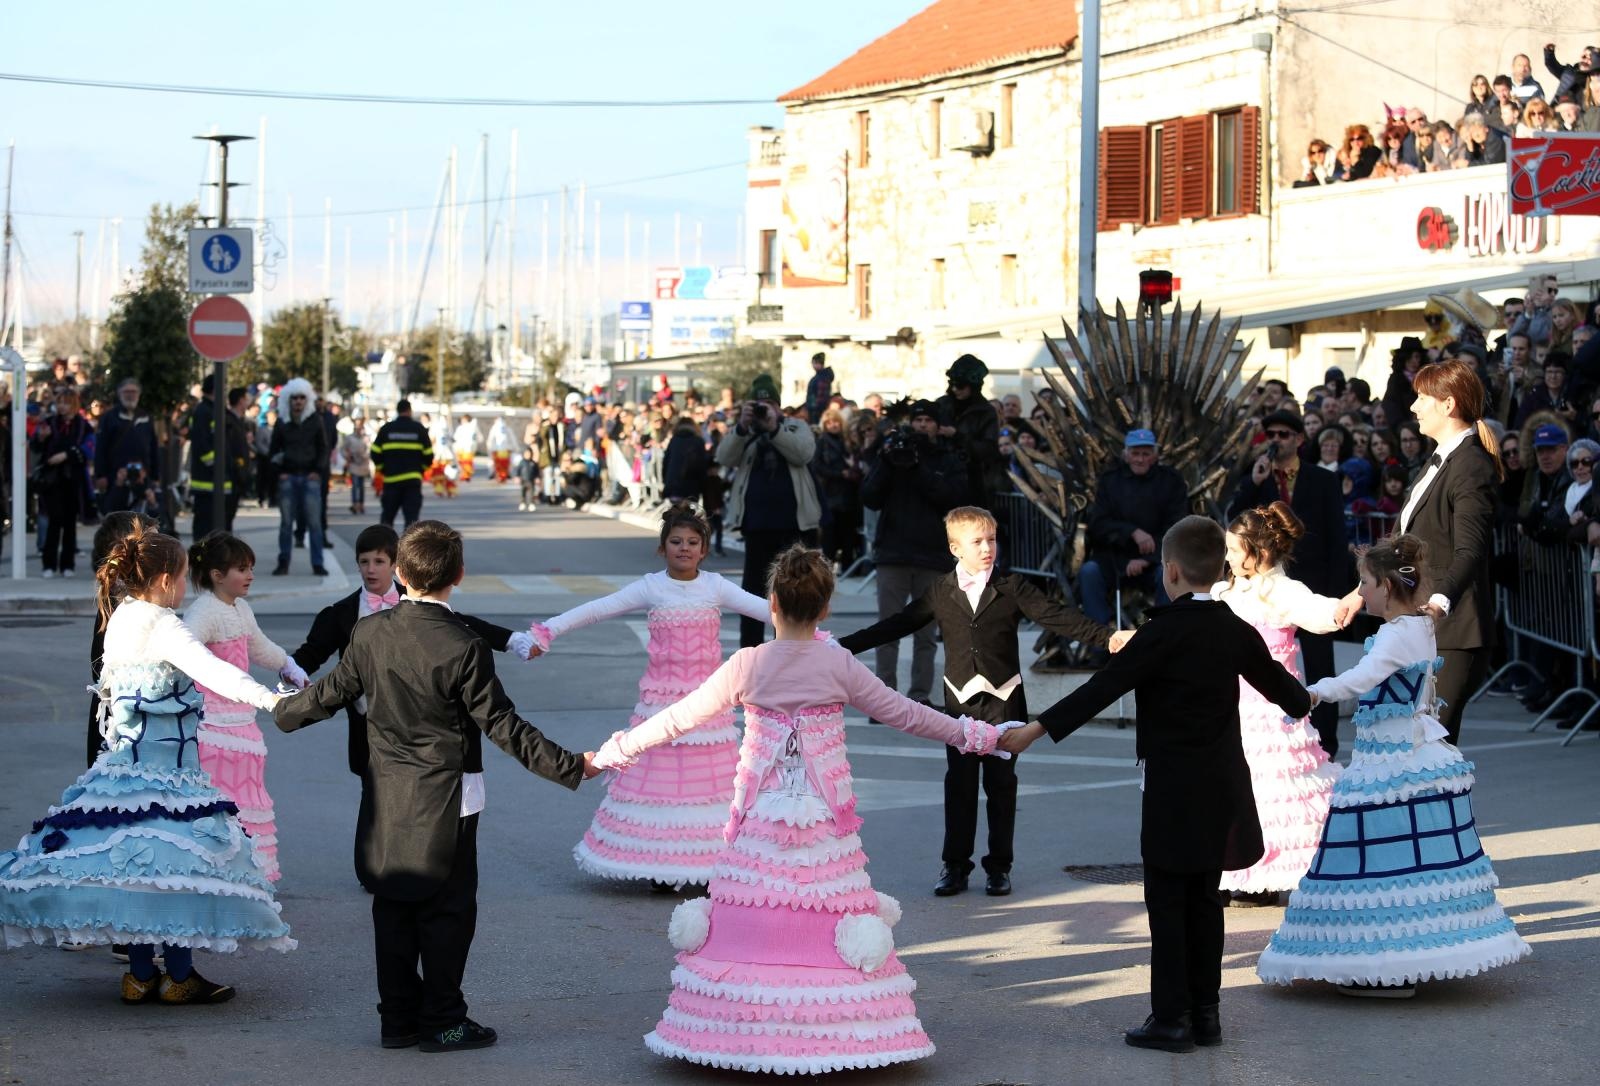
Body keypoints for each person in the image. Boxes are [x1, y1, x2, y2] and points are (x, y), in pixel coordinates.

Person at [590, 545, 1007, 1074]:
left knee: (756, 917)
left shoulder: (748, 663)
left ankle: (742, 1033)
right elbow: (909, 715)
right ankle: (834, 1034)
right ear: (826, 608)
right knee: (824, 916)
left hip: (761, 815)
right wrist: (983, 736)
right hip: (823, 820)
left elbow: (676, 718)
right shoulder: (837, 663)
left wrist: (614, 752)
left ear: (772, 603)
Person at [274, 521, 595, 1052]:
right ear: (459, 576)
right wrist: (571, 765)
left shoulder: (369, 632)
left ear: (398, 573)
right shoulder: (464, 645)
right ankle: (443, 1019)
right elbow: (503, 726)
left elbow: (328, 694)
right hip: (450, 794)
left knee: (392, 903)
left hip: (386, 791)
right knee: (447, 909)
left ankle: (397, 1019)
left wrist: (280, 711)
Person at [999, 516, 1312, 1052]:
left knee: (1168, 902)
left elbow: (1103, 687)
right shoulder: (1234, 629)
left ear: (1169, 571)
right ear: (1220, 567)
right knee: (1206, 900)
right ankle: (1206, 1015)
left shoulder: (1161, 632)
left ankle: (1171, 1018)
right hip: (1221, 786)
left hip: (1172, 788)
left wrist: (1034, 730)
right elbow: (1294, 697)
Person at [0, 522, 294, 1003]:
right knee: (175, 871)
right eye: (181, 578)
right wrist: (272, 702)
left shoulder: (121, 616)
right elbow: (216, 672)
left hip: (119, 770)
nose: (184, 587)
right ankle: (178, 975)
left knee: (133, 870)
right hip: (168, 774)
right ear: (162, 581)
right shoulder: (164, 625)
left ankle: (139, 975)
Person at [1257, 535, 1531, 998]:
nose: (1360, 592)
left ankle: (1383, 965)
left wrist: (1313, 693)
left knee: (1374, 856)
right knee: (1412, 861)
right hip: (1413, 751)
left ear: (1386, 585)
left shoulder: (1394, 635)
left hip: (1391, 760)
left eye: (1365, 583)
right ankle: (1405, 957)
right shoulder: (1420, 625)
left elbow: (1362, 678)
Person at [840, 506, 1122, 897]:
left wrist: (1106, 637)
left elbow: (1056, 617)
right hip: (959, 705)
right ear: (956, 548)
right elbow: (899, 623)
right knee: (960, 785)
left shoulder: (1012, 587)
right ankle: (955, 866)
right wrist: (842, 647)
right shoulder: (941, 590)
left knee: (1002, 786)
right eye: (977, 542)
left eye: (992, 539)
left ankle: (999, 866)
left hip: (1004, 702)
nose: (988, 547)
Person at [525, 506, 770, 888]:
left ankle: (710, 864)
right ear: (662, 548)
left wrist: (813, 631)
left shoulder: (716, 586)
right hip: (660, 705)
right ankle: (660, 865)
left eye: (692, 543)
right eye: (676, 542)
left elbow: (766, 611)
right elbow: (596, 610)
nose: (684, 549)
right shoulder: (651, 586)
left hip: (708, 708)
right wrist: (548, 631)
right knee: (661, 790)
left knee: (707, 792)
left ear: (704, 550)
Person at [289, 523, 531, 793]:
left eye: (379, 561)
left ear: (396, 565)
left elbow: (459, 624)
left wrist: (510, 639)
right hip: (367, 728)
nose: (371, 569)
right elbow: (311, 653)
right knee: (375, 805)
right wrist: (287, 669)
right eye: (364, 562)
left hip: (416, 722)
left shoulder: (417, 599)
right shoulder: (341, 614)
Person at [1336, 361, 1501, 744]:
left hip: (1454, 630)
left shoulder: (1471, 464)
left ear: (1448, 405)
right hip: (1420, 624)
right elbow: (1400, 544)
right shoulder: (1438, 460)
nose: (1414, 407)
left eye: (1423, 397)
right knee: (1413, 747)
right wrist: (1360, 594)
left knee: (1432, 749)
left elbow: (1470, 549)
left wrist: (1439, 603)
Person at [1212, 503, 1343, 907]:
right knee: (1234, 790)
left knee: (1275, 793)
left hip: (1272, 714)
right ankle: (1241, 873)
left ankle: (1272, 876)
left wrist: (1356, 599)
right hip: (1230, 708)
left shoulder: (1284, 591)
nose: (1229, 558)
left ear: (1260, 552)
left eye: (1235, 550)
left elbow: (1324, 615)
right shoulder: (1223, 591)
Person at [182, 531, 309, 883]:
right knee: (221, 799)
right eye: (241, 568)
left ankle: (249, 874)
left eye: (250, 567)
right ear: (216, 575)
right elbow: (184, 651)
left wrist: (289, 666)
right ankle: (217, 874)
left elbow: (258, 645)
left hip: (242, 717)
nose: (250, 575)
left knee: (247, 794)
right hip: (213, 725)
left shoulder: (239, 607)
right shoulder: (204, 611)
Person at [1229, 410, 1347, 755]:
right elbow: (1234, 518)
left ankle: (1326, 740)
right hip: (1268, 586)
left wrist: (1336, 591)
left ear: (1299, 438)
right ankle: (1280, 735)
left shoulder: (1322, 480)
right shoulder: (1258, 475)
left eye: (1283, 434)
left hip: (1313, 582)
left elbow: (1337, 539)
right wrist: (1253, 482)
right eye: (1271, 434)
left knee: (1320, 666)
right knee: (1274, 663)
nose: (1276, 440)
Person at [715, 374, 820, 648]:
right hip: (756, 526)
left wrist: (774, 428)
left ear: (778, 406)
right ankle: (749, 655)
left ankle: (786, 650)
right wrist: (742, 426)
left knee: (792, 594)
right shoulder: (746, 432)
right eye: (758, 404)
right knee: (752, 595)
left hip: (793, 526)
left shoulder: (795, 427)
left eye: (769, 403)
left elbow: (803, 454)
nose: (763, 408)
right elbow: (723, 457)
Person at [1079, 429, 1188, 660]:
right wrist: (1131, 533)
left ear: (1155, 455)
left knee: (1168, 576)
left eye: (1145, 453)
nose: (1140, 459)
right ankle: (1100, 643)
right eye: (1135, 453)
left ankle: (1163, 642)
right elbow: (1098, 524)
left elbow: (1177, 526)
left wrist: (1146, 560)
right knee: (1089, 573)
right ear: (1126, 454)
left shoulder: (1171, 481)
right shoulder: (1110, 482)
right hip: (1114, 558)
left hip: (1158, 558)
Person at [268, 378, 329, 577]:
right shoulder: (282, 422)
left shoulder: (315, 420)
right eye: (294, 398)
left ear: (307, 399)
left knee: (314, 524)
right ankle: (283, 562)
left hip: (310, 478)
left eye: (302, 397)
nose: (298, 401)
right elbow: (274, 450)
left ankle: (318, 563)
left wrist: (317, 471)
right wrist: (280, 472)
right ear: (288, 399)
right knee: (286, 524)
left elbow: (323, 448)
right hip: (289, 478)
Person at [30, 385, 91, 578]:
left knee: (70, 523)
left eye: (66, 403)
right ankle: (48, 564)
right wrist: (41, 437)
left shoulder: (83, 425)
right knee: (53, 521)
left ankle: (68, 564)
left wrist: (66, 455)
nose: (63, 407)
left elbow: (88, 449)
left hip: (73, 480)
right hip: (52, 481)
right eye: (60, 403)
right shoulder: (49, 423)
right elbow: (35, 446)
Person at [936, 353, 1004, 505]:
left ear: (973, 386)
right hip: (941, 478)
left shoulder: (986, 411)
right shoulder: (942, 405)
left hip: (972, 482)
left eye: (960, 385)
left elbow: (988, 449)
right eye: (952, 383)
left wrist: (957, 436)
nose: (955, 389)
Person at [93, 378, 160, 518]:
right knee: (116, 518)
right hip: (115, 475)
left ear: (139, 394)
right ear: (119, 393)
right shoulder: (109, 418)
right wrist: (100, 475)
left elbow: (153, 448)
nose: (130, 395)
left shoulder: (146, 417)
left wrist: (155, 476)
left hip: (142, 475)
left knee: (142, 520)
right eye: (126, 392)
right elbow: (100, 448)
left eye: (133, 392)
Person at [372, 399, 431, 530]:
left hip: (391, 481)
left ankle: (385, 548)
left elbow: (375, 452)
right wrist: (420, 470)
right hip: (412, 482)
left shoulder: (386, 429)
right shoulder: (419, 429)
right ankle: (410, 550)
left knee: (387, 520)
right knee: (412, 522)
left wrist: (383, 469)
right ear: (410, 411)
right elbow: (429, 455)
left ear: (398, 411)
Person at [342, 417, 372, 515]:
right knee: (355, 485)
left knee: (361, 486)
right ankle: (355, 504)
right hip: (353, 464)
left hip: (363, 464)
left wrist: (364, 456)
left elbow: (369, 450)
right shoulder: (349, 437)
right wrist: (348, 456)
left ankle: (361, 504)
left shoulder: (366, 437)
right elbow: (343, 449)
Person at [804, 351, 834, 423]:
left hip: (817, 411)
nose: (812, 365)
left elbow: (821, 397)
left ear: (819, 363)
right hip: (814, 409)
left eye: (814, 363)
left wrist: (815, 409)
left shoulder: (822, 377)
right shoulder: (819, 376)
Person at [451, 414, 479, 483]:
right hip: (460, 448)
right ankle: (464, 474)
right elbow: (456, 437)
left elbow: (475, 438)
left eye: (464, 419)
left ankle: (466, 475)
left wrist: (473, 446)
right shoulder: (460, 428)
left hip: (468, 448)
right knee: (461, 462)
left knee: (467, 461)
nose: (463, 420)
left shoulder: (472, 427)